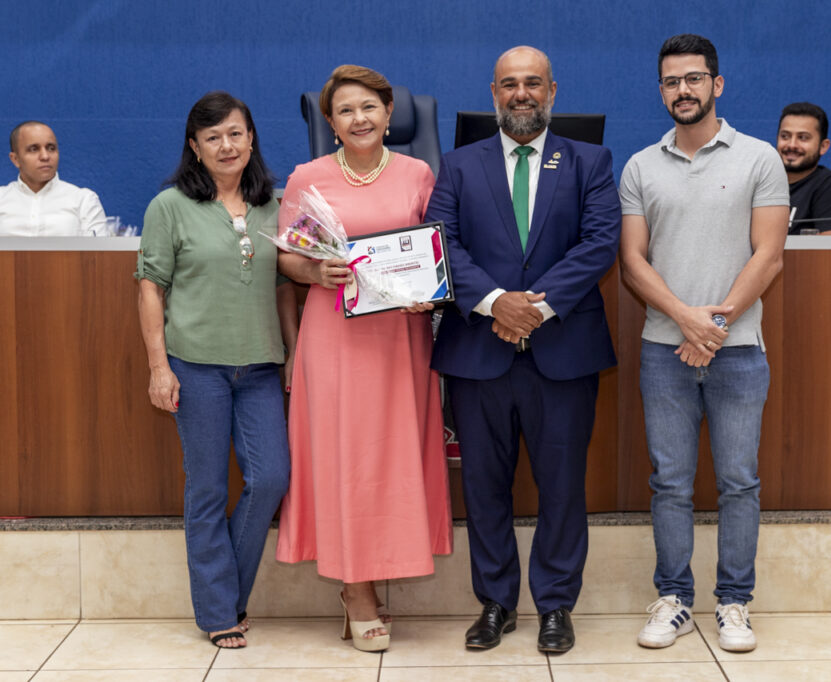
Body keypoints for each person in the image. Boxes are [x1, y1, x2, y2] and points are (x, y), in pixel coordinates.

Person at [427, 46, 620, 655]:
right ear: (493, 93)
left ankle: (557, 605)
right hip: (478, 352)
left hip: (562, 351)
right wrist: (493, 303)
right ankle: (496, 603)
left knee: (562, 484)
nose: (521, 94)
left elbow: (599, 243)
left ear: (553, 91)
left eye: (532, 83)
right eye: (509, 84)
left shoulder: (590, 161)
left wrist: (531, 307)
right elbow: (443, 244)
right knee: (484, 485)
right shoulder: (456, 166)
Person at [618, 34, 789, 653]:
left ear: (717, 85)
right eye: (671, 81)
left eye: (694, 79)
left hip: (739, 351)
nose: (682, 90)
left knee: (739, 481)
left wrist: (712, 328)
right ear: (660, 90)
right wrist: (685, 321)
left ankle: (735, 603)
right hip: (664, 350)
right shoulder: (640, 166)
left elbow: (769, 256)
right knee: (670, 482)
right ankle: (674, 599)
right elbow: (633, 263)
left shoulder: (759, 158)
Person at [273, 64, 453, 653]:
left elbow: (441, 247)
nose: (359, 119)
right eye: (346, 111)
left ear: (390, 114)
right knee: (345, 459)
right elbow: (289, 260)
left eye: (370, 108)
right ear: (330, 122)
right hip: (335, 341)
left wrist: (430, 290)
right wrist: (313, 270)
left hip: (402, 339)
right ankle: (355, 590)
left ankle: (380, 566)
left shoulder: (418, 172)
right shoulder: (308, 177)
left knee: (394, 457)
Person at [136, 91, 292, 649]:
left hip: (259, 369)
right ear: (195, 148)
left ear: (252, 138)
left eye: (236, 133)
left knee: (271, 478)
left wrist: (292, 354)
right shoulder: (169, 206)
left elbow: (282, 291)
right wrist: (159, 367)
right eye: (213, 137)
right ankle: (219, 612)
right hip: (195, 367)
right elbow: (151, 288)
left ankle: (226, 594)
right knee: (205, 489)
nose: (227, 146)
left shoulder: (276, 203)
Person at [0, 121, 109, 236]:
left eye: (51, 148)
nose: (45, 156)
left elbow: (99, 253)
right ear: (15, 159)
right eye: (33, 149)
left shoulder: (84, 200)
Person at [776, 102, 831, 235]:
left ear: (823, 146)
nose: (792, 145)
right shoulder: (763, 181)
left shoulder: (829, 186)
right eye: (785, 136)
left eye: (803, 138)